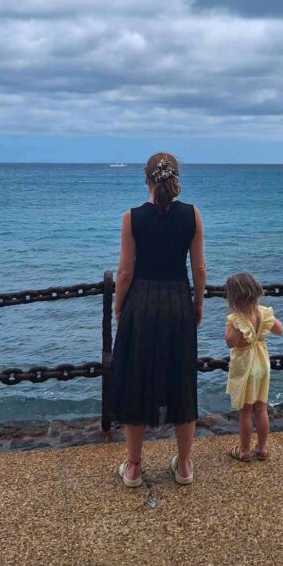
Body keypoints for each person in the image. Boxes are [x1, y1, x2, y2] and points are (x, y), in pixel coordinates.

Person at [110, 152, 206, 487]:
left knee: (136, 378)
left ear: (147, 179)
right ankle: (183, 466)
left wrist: (118, 307)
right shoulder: (192, 216)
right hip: (178, 301)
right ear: (176, 178)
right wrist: (197, 304)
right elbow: (199, 269)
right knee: (181, 381)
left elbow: (124, 272)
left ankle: (134, 467)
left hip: (142, 303)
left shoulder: (131, 218)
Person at [224, 272, 283, 462]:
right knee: (261, 409)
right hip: (262, 363)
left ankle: (244, 450)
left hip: (246, 368)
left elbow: (230, 342)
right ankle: (263, 448)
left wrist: (234, 328)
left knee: (245, 412)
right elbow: (279, 329)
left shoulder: (237, 319)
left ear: (232, 298)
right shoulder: (264, 313)